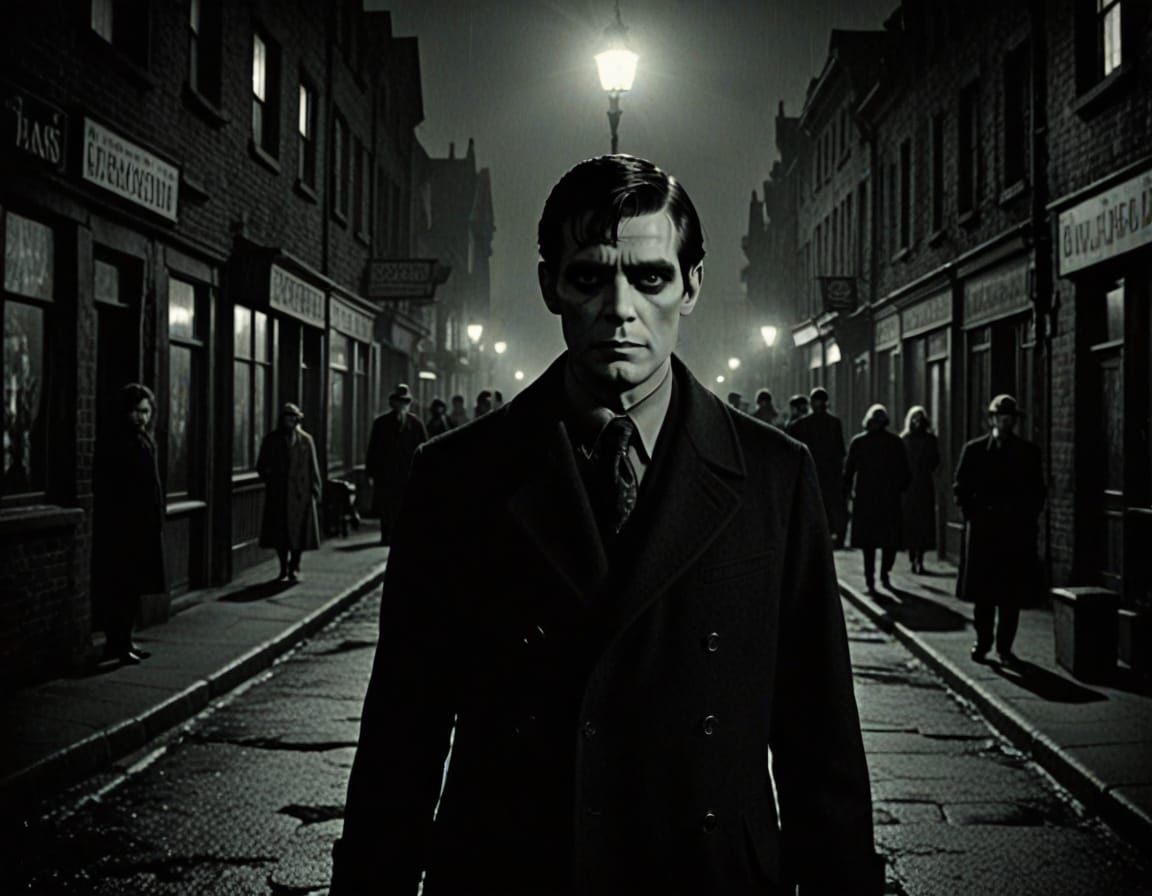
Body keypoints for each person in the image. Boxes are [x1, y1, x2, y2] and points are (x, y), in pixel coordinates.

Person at [333, 154, 882, 894]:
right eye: (589, 276)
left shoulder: (774, 476)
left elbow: (820, 738)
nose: (620, 308)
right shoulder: (457, 477)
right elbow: (404, 734)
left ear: (691, 285)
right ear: (550, 285)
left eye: (650, 277)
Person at [954, 394, 1045, 666]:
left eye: (1010, 418)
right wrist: (972, 515)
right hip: (983, 532)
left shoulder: (1028, 453)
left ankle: (1005, 647)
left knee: (1010, 595)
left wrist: (1026, 517)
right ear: (992, 419)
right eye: (1001, 418)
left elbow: (1038, 491)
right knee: (983, 595)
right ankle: (983, 641)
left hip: (1014, 533)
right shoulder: (974, 450)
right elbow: (960, 487)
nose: (1006, 423)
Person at [93, 383, 165, 664]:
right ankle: (118, 644)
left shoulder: (144, 439)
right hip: (125, 527)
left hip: (143, 525)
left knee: (134, 588)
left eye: (146, 411)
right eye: (136, 411)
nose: (142, 417)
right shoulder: (119, 442)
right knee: (122, 587)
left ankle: (125, 641)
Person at [844, 403, 911, 594]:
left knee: (869, 544)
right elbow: (905, 472)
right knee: (888, 541)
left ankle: (871, 579)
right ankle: (883, 574)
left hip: (866, 498)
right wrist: (898, 489)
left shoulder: (859, 442)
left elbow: (848, 471)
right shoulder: (894, 442)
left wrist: (848, 493)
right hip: (888, 499)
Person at [256, 402, 322, 581]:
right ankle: (283, 568)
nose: (291, 421)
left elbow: (313, 467)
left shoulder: (306, 440)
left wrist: (316, 489)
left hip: (301, 494)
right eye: (288, 417)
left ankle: (295, 565)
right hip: (279, 495)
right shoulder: (271, 440)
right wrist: (272, 480)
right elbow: (261, 465)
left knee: (299, 533)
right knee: (280, 534)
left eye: (294, 417)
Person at [365, 384, 428, 545]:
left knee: (405, 506)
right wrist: (371, 473)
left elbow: (423, 449)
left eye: (405, 402)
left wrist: (423, 473)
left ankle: (403, 536)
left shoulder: (416, 424)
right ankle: (386, 535)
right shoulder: (381, 424)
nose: (402, 405)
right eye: (399, 401)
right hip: (387, 475)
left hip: (407, 474)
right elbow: (373, 449)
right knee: (387, 507)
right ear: (392, 403)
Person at [788, 386, 847, 545]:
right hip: (828, 473)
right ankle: (827, 532)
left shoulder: (800, 425)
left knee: (811, 504)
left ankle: (813, 533)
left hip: (810, 471)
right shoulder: (834, 423)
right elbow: (840, 451)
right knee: (828, 505)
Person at [901, 405, 940, 574]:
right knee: (911, 523)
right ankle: (913, 557)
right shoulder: (905, 439)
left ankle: (920, 558)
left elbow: (935, 461)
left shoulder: (929, 439)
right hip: (909, 486)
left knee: (923, 523)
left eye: (920, 418)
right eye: (915, 418)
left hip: (923, 486)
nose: (917, 421)